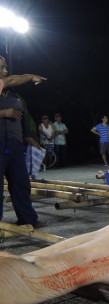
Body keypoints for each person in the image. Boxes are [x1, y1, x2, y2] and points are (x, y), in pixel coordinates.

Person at [0, 55, 47, 228]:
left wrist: (30, 139)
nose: (5, 70)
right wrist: (4, 113)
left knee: (21, 183)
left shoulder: (15, 96)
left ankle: (28, 219)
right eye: (1, 67)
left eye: (5, 66)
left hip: (14, 145)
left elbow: (23, 119)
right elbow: (11, 79)